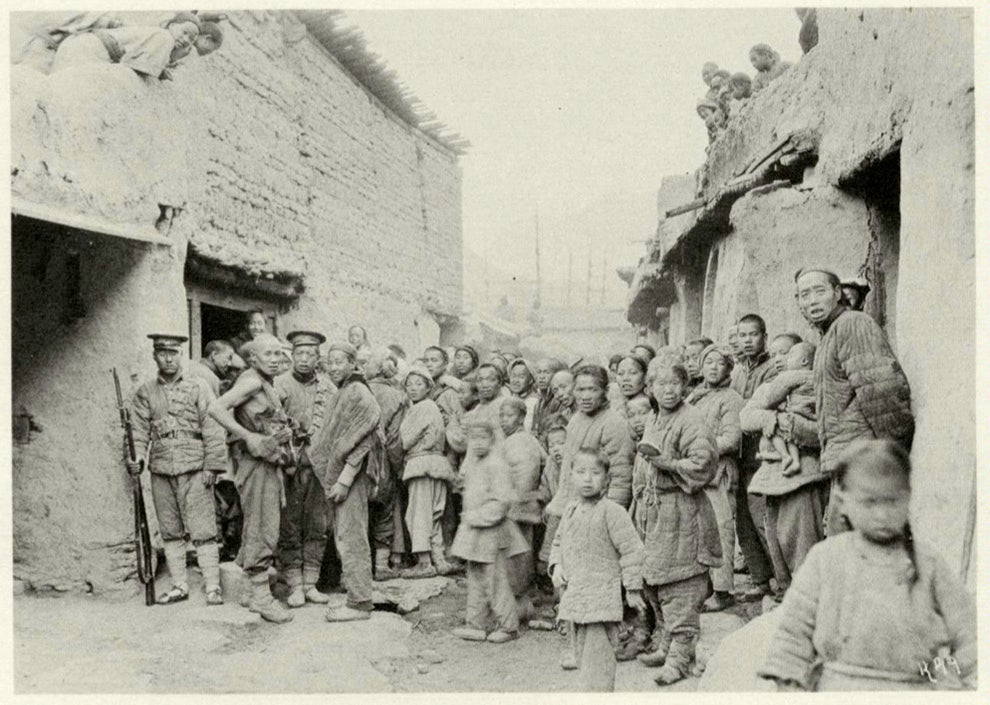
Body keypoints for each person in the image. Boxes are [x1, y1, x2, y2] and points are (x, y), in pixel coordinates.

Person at [758, 440, 975, 691]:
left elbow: (970, 637)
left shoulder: (928, 564)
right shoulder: (825, 559)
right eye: (869, 502)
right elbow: (793, 635)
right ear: (844, 501)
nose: (882, 514)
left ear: (908, 497)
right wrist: (789, 686)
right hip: (838, 687)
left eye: (892, 501)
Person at [795, 268, 914, 535]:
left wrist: (892, 452)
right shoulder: (830, 334)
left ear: (837, 293)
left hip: (866, 462)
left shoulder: (853, 324)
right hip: (848, 461)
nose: (812, 301)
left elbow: (882, 392)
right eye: (804, 295)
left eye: (819, 291)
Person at [631, 363, 720, 685]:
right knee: (654, 583)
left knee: (680, 585)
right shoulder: (655, 417)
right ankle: (667, 643)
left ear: (684, 387)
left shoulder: (691, 418)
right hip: (654, 513)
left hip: (682, 512)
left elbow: (704, 463)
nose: (668, 390)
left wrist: (667, 463)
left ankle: (680, 656)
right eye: (660, 383)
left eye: (675, 383)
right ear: (651, 387)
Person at [129, 333, 227, 606]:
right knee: (170, 529)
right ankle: (179, 584)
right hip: (160, 468)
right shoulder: (146, 392)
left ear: (181, 354)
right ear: (154, 356)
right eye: (162, 353)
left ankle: (212, 586)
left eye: (173, 352)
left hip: (195, 467)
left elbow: (213, 426)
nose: (168, 358)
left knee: (203, 528)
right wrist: (137, 458)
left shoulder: (199, 387)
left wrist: (213, 464)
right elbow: (137, 431)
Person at [208, 334, 295, 622]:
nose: (276, 359)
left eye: (279, 354)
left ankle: (248, 591)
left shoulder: (264, 382)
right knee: (263, 526)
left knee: (257, 525)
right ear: (254, 358)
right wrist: (249, 436)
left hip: (266, 463)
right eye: (269, 354)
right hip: (256, 465)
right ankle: (261, 598)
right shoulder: (252, 380)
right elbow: (216, 408)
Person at [549, 449, 646, 692]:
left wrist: (633, 589)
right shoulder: (570, 511)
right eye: (580, 472)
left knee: (599, 661)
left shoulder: (612, 512)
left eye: (595, 473)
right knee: (582, 656)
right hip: (576, 596)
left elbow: (633, 550)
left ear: (606, 479)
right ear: (571, 476)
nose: (587, 479)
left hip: (601, 599)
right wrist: (557, 566)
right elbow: (558, 542)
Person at [742, 343, 828, 596]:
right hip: (772, 471)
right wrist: (771, 419)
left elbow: (824, 428)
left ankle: (805, 598)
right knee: (775, 536)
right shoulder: (770, 387)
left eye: (786, 353)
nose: (779, 359)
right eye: (775, 354)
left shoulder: (815, 384)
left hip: (804, 472)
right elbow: (746, 418)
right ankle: (785, 592)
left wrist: (795, 425)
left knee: (800, 539)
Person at [308, 342, 382, 622]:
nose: (335, 366)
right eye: (331, 361)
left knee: (352, 536)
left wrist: (345, 479)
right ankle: (356, 595)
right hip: (343, 476)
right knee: (344, 534)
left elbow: (364, 441)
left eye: (341, 361)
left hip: (351, 477)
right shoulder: (343, 392)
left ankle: (360, 603)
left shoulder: (359, 393)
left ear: (353, 364)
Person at [450, 415, 529, 644]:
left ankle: (508, 625)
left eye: (483, 438)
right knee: (475, 576)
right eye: (473, 438)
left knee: (496, 580)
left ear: (492, 439)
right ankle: (476, 623)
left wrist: (476, 517)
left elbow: (501, 502)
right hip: (475, 532)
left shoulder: (497, 464)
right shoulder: (474, 462)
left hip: (492, 532)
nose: (477, 443)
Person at [272, 331, 335, 608]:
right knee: (290, 525)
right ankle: (294, 585)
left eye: (311, 354)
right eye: (300, 354)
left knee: (318, 525)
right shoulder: (279, 385)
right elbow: (269, 422)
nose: (305, 359)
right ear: (292, 355)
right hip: (290, 467)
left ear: (318, 357)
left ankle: (311, 583)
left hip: (319, 467)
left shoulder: (329, 388)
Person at [685, 345, 744, 613]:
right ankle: (706, 586)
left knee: (721, 530)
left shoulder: (730, 398)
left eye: (719, 362)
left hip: (719, 471)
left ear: (728, 368)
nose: (712, 367)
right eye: (708, 361)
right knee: (700, 531)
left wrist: (701, 450)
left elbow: (732, 438)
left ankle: (723, 590)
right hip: (696, 472)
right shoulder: (696, 396)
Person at [730, 313, 777, 601]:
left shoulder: (772, 370)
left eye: (753, 335)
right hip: (739, 455)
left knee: (763, 518)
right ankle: (760, 580)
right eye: (742, 335)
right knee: (743, 522)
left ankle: (782, 580)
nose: (747, 340)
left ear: (764, 337)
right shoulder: (735, 372)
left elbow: (763, 405)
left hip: (762, 454)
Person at [546, 365, 635, 517]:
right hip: (567, 507)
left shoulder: (614, 423)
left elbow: (621, 478)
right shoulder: (575, 420)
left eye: (592, 390)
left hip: (594, 510)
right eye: (580, 390)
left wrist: (607, 517)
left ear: (605, 392)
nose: (585, 396)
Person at [399, 363, 457, 578]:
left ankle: (424, 563)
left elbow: (405, 441)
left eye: (419, 384)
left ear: (427, 387)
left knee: (418, 514)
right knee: (434, 514)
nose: (413, 388)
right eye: (409, 384)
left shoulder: (421, 407)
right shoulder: (432, 407)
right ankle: (439, 560)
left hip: (421, 464)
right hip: (437, 464)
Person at [364, 346, 410, 579]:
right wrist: (399, 468)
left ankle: (354, 570)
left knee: (358, 513)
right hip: (382, 462)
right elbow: (394, 439)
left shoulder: (357, 390)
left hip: (358, 460)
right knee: (385, 511)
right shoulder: (397, 397)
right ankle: (381, 566)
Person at [51, 11, 201, 80]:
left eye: (192, 40)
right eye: (185, 32)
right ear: (173, 26)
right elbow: (139, 71)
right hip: (88, 50)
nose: (186, 40)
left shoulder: (158, 37)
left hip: (82, 45)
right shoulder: (165, 37)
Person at [499, 397, 545, 620]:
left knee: (516, 554)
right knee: (522, 551)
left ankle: (520, 599)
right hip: (525, 503)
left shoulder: (518, 441)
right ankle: (523, 595)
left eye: (508, 416)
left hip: (516, 504)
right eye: (501, 416)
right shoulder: (529, 440)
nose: (503, 421)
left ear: (521, 417)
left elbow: (521, 474)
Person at [758, 343, 816, 477]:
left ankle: (786, 456)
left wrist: (770, 406)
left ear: (804, 361)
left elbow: (771, 398)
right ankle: (794, 461)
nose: (786, 361)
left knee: (773, 427)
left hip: (795, 415)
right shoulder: (817, 376)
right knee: (792, 435)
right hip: (812, 417)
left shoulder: (791, 376)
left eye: (789, 356)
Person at [507, 358, 539, 431]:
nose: (516, 381)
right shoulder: (508, 400)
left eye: (521, 377)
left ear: (530, 380)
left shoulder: (535, 403)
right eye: (513, 376)